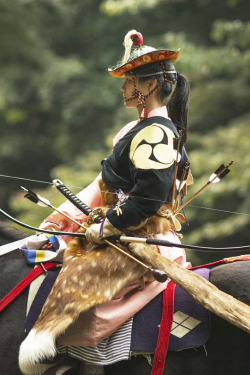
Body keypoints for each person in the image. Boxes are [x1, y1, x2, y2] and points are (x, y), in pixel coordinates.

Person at [39, 29, 192, 367]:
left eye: (128, 81)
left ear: (149, 86)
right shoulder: (136, 129)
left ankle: (89, 364)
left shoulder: (156, 132)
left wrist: (107, 225)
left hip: (142, 238)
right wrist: (62, 218)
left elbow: (147, 201)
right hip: (123, 230)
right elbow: (101, 185)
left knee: (76, 284)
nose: (123, 89)